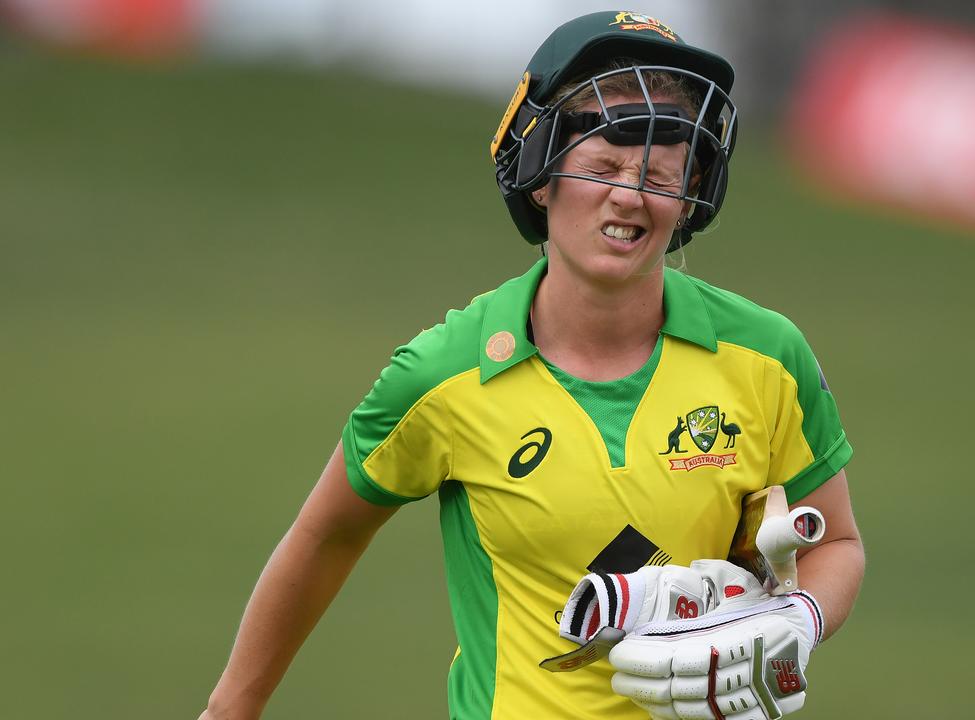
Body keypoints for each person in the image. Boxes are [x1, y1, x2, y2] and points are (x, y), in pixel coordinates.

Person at [200, 10, 864, 720]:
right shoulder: (444, 376)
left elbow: (839, 542)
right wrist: (229, 711)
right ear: (540, 177)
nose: (630, 196)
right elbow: (327, 534)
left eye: (659, 175)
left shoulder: (768, 355)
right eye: (603, 166)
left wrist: (800, 618)